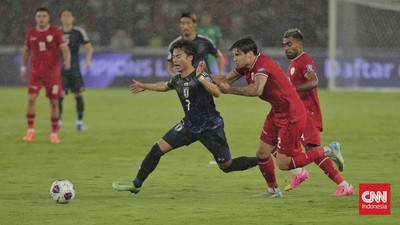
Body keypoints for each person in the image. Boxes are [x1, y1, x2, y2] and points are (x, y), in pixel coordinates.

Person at [112, 40, 258, 194]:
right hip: (189, 126)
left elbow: (217, 92)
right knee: (157, 150)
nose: (175, 60)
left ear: (190, 58)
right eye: (173, 57)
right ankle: (136, 184)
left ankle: (261, 161)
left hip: (210, 128)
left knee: (227, 167)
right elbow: (164, 85)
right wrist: (145, 86)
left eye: (178, 56)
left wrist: (201, 77)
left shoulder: (201, 75)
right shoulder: (177, 79)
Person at [215, 37, 345, 198]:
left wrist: (230, 91)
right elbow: (224, 79)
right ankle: (273, 191)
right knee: (262, 153)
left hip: (292, 114)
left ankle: (328, 150)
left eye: (237, 55)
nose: (234, 59)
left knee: (283, 164)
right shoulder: (245, 66)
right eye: (234, 55)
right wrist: (198, 76)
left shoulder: (262, 65)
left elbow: (257, 90)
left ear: (250, 54)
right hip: (277, 111)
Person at [282, 28, 353, 196]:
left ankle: (344, 185)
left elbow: (314, 81)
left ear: (300, 44)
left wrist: (293, 91)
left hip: (308, 113)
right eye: (284, 45)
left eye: (290, 44)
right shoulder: (293, 63)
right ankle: (298, 173)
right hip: (297, 113)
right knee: (284, 142)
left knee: (312, 150)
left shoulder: (304, 60)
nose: (286, 48)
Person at [20, 7, 71, 143]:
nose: (41, 19)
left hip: (52, 74)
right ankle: (30, 131)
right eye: (39, 16)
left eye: (44, 16)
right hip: (36, 73)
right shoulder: (31, 33)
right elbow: (26, 51)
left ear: (48, 18)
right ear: (36, 18)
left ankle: (54, 133)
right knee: (31, 99)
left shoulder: (55, 32)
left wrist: (67, 61)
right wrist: (23, 68)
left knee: (54, 102)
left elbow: (64, 48)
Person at [59, 8, 93, 131]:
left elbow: (88, 47)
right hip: (60, 70)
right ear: (61, 18)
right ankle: (58, 122)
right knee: (60, 95)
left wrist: (87, 60)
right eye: (64, 15)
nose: (66, 18)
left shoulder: (78, 32)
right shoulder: (57, 32)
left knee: (78, 95)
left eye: (69, 15)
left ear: (73, 18)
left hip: (74, 69)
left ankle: (79, 122)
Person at [166, 12, 224, 77]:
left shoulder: (205, 41)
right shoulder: (174, 45)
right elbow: (169, 68)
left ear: (194, 24)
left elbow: (219, 56)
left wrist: (220, 73)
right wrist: (177, 80)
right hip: (187, 85)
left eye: (188, 23)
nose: (185, 26)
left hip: (205, 83)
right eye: (182, 23)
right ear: (179, 25)